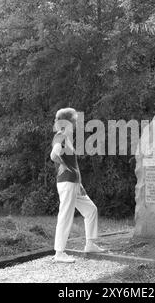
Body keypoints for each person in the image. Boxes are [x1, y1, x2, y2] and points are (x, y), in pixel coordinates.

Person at [50, 108, 105, 263]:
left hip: (73, 183)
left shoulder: (66, 137)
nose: (76, 123)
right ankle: (59, 253)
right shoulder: (60, 137)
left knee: (91, 210)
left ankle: (90, 244)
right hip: (66, 182)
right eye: (75, 120)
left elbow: (72, 163)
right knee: (65, 216)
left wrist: (79, 183)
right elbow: (54, 155)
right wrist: (63, 165)